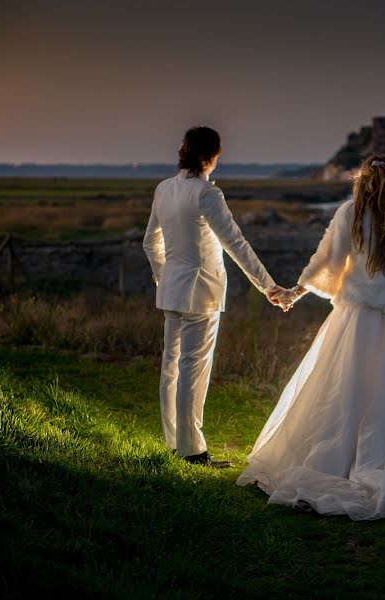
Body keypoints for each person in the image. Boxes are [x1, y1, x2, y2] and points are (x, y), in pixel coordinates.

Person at [237, 154, 385, 519]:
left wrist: (296, 291)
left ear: (362, 182)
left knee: (349, 386)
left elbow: (327, 262)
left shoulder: (350, 213)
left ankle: (346, 454)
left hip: (358, 317)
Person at [143, 126, 288, 467]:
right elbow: (235, 243)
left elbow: (151, 242)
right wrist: (268, 286)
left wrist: (166, 279)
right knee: (193, 370)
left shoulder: (164, 189)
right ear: (211, 157)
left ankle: (173, 444)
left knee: (171, 367)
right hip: (201, 292)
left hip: (172, 292)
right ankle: (192, 451)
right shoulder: (208, 194)